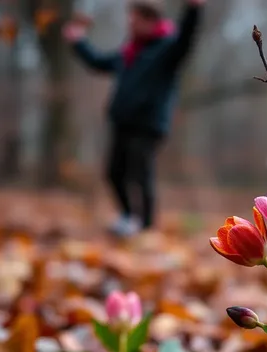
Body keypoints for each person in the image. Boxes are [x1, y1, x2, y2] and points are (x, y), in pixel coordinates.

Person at [63, 0, 206, 237]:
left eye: (135, 20)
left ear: (151, 21)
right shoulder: (129, 52)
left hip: (148, 124)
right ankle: (129, 217)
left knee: (141, 174)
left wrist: (194, 10)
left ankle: (147, 228)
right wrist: (78, 41)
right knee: (114, 173)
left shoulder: (167, 48)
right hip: (122, 121)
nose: (130, 25)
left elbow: (187, 40)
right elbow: (98, 62)